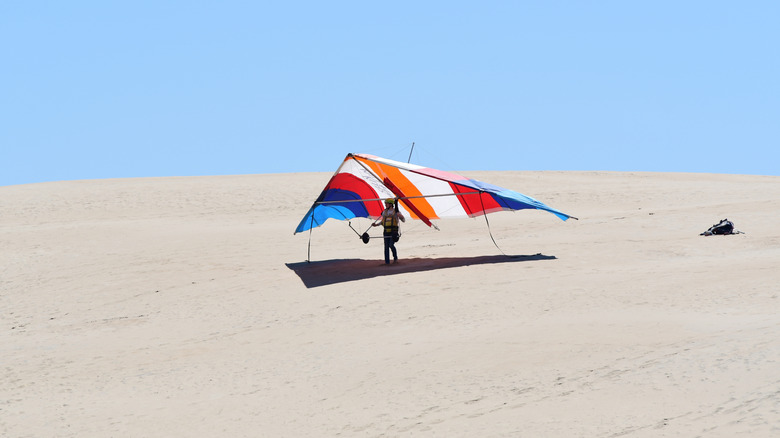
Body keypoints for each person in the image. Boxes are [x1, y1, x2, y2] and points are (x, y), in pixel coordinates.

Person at [372, 198, 405, 264]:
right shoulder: (385, 212)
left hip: (393, 232)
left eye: (386, 203)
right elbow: (383, 221)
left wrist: (400, 216)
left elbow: (403, 220)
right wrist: (376, 225)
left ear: (390, 204)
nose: (385, 205)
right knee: (386, 247)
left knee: (391, 244)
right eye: (385, 203)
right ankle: (387, 262)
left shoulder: (396, 211)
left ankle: (395, 258)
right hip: (386, 231)